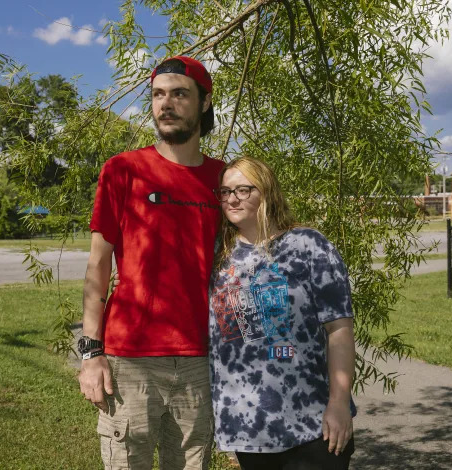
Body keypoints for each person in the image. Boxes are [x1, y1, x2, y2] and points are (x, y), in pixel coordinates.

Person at [78, 56, 225, 469]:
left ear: (205, 101)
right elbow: (98, 267)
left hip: (200, 359)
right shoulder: (123, 170)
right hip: (130, 360)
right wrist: (91, 354)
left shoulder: (223, 179)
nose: (166, 104)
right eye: (159, 95)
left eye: (179, 93)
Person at [209, 157, 356, 470]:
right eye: (225, 191)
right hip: (250, 428)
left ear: (267, 192)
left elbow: (339, 328)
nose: (232, 198)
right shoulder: (216, 257)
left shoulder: (308, 246)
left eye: (243, 189)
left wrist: (339, 403)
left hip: (313, 424)